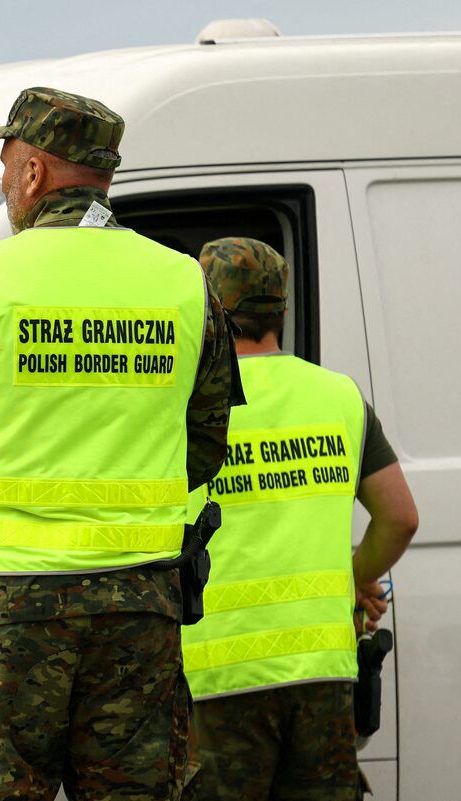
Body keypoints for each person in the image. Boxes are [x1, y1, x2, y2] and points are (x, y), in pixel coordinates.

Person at [0, 87, 240, 801]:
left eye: (7, 160)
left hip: (4, 609)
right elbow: (205, 443)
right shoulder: (183, 282)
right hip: (139, 603)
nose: (5, 181)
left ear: (34, 173)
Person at [181, 238, 419, 801]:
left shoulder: (187, 403)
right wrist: (355, 576)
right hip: (323, 675)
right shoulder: (338, 397)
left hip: (217, 677)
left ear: (207, 311)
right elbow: (401, 517)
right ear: (281, 311)